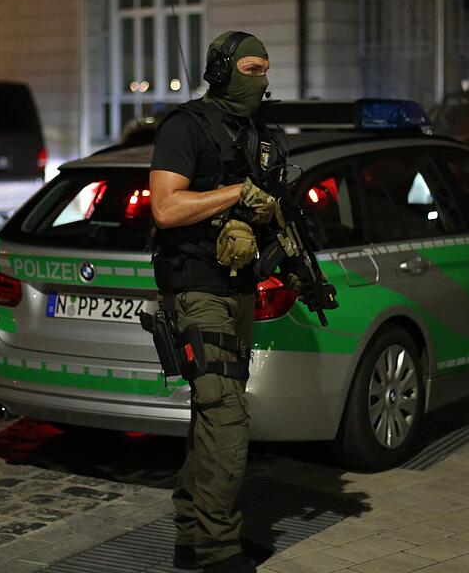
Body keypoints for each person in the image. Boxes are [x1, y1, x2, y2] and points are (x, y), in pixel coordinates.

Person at [148, 31, 283, 573]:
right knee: (227, 416)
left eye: (266, 69)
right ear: (223, 69)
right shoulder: (186, 126)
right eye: (251, 67)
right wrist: (236, 193)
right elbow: (164, 207)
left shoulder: (257, 132)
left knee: (210, 416)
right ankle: (218, 550)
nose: (262, 79)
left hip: (239, 285)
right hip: (196, 285)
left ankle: (193, 533)